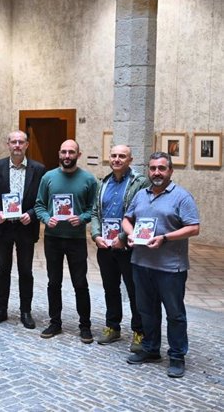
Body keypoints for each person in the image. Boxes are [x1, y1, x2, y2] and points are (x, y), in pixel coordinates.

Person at [123, 152, 200, 378]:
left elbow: (194, 227)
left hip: (170, 268)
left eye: (162, 168)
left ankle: (176, 356)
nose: (157, 172)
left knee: (175, 314)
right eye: (153, 168)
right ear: (148, 170)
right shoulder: (140, 195)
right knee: (147, 310)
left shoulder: (182, 197)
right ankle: (150, 349)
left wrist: (165, 238)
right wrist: (130, 234)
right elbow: (127, 219)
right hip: (141, 263)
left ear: (170, 171)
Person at [34, 140, 97, 343]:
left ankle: (85, 325)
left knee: (80, 283)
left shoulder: (88, 179)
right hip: (53, 239)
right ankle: (55, 322)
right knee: (54, 282)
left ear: (79, 154)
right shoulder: (48, 178)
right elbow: (39, 205)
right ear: (59, 154)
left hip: (76, 239)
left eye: (71, 152)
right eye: (64, 152)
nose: (67, 155)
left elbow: (93, 209)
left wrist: (82, 218)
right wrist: (46, 218)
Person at [90, 144, 149, 352]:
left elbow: (141, 213)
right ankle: (112, 327)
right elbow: (96, 211)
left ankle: (139, 332)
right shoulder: (103, 182)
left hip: (129, 247)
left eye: (122, 156)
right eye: (114, 156)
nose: (117, 159)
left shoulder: (140, 183)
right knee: (110, 288)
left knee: (134, 290)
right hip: (105, 246)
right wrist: (96, 235)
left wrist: (123, 237)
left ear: (130, 160)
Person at [0, 130, 46, 329]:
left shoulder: (38, 169)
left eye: (21, 142)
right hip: (3, 227)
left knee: (26, 270)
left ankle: (25, 311)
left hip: (26, 227)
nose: (17, 146)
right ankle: (1, 309)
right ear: (8, 144)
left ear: (27, 145)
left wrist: (32, 213)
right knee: (3, 270)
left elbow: (42, 198)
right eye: (14, 142)